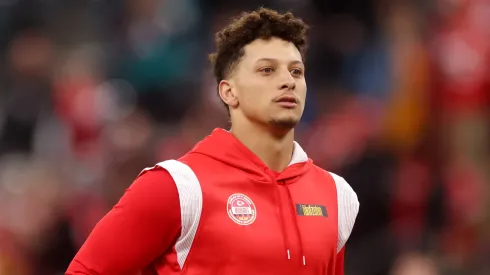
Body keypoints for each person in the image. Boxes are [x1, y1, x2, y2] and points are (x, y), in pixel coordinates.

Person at [66, 7, 360, 275]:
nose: (288, 81)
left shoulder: (337, 195)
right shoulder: (177, 187)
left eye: (296, 70)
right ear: (229, 92)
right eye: (267, 70)